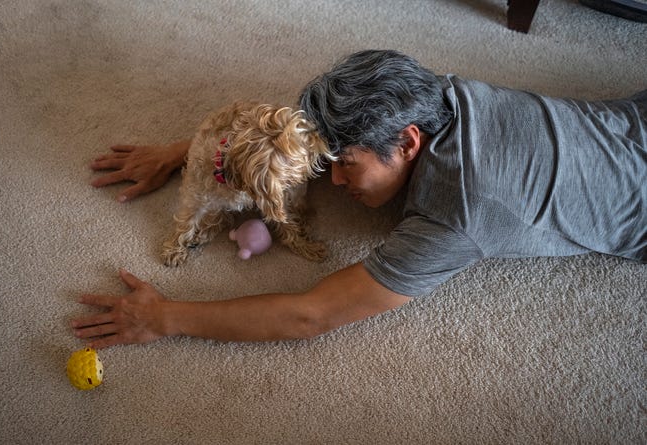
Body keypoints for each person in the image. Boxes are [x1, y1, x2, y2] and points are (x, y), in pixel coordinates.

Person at [73, 50, 646, 349]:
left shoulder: (462, 210)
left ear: (408, 141)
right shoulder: (431, 90)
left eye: (343, 165)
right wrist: (191, 151)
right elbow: (297, 136)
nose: (331, 181)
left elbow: (309, 315)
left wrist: (165, 317)